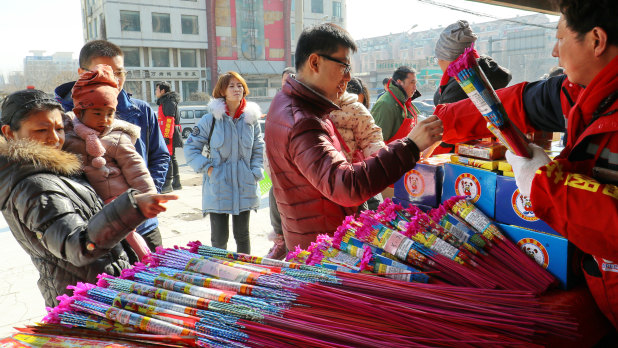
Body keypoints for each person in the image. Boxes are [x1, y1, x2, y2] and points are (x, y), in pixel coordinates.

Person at [435, 0, 618, 329]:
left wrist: (545, 184)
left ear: (596, 40)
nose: (553, 52)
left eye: (560, 38)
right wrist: (441, 123)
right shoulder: (582, 95)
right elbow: (514, 102)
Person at [266, 23, 443, 250]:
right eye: (344, 66)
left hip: (311, 237)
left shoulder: (285, 102)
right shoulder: (303, 121)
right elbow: (345, 185)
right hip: (323, 248)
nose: (349, 77)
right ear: (315, 62)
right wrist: (410, 146)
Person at [0, 89, 177, 307]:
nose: (55, 138)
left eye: (59, 128)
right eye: (41, 130)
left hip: (101, 290)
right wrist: (129, 207)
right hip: (84, 301)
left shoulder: (56, 168)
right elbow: (79, 246)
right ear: (9, 132)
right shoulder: (34, 186)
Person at [54, 40, 169, 251]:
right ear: (81, 73)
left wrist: (144, 200)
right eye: (103, 71)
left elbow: (160, 157)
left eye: (119, 73)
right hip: (91, 230)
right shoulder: (58, 118)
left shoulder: (141, 111)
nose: (114, 81)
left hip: (143, 225)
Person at [62, 64, 155, 261]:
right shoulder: (68, 137)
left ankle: (147, 262)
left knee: (130, 240)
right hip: (88, 207)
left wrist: (148, 198)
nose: (104, 120)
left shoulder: (117, 137)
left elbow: (136, 169)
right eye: (97, 113)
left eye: (110, 114)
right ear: (79, 113)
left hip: (118, 203)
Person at [184, 71, 264, 254]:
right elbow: (190, 148)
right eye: (231, 86)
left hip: (245, 184)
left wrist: (255, 171)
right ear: (222, 91)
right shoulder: (211, 119)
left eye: (240, 85)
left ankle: (244, 274)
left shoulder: (251, 120)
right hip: (219, 185)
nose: (237, 89)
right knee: (219, 239)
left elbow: (259, 148)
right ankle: (219, 274)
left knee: (243, 236)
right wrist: (208, 169)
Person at [430, 20, 512, 156]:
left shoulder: (462, 84)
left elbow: (444, 135)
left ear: (447, 58)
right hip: (492, 150)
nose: (438, 63)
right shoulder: (486, 71)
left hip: (463, 155)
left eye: (438, 58)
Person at [371, 66, 422, 199]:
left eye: (415, 83)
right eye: (412, 82)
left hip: (405, 168)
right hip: (390, 172)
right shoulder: (386, 104)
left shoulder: (405, 102)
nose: (415, 86)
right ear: (399, 82)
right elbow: (375, 141)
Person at [265, 67, 296, 259]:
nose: (289, 83)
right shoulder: (276, 104)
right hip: (275, 163)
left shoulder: (303, 103)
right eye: (286, 80)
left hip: (296, 165)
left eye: (293, 79)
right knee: (271, 193)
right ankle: (279, 239)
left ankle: (290, 243)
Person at [155, 81, 182, 193]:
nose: (155, 92)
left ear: (163, 91)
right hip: (168, 133)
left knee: (168, 157)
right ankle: (177, 183)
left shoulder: (169, 102)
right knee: (172, 157)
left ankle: (168, 184)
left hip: (169, 134)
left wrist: (166, 136)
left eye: (156, 90)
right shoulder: (165, 101)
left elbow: (169, 121)